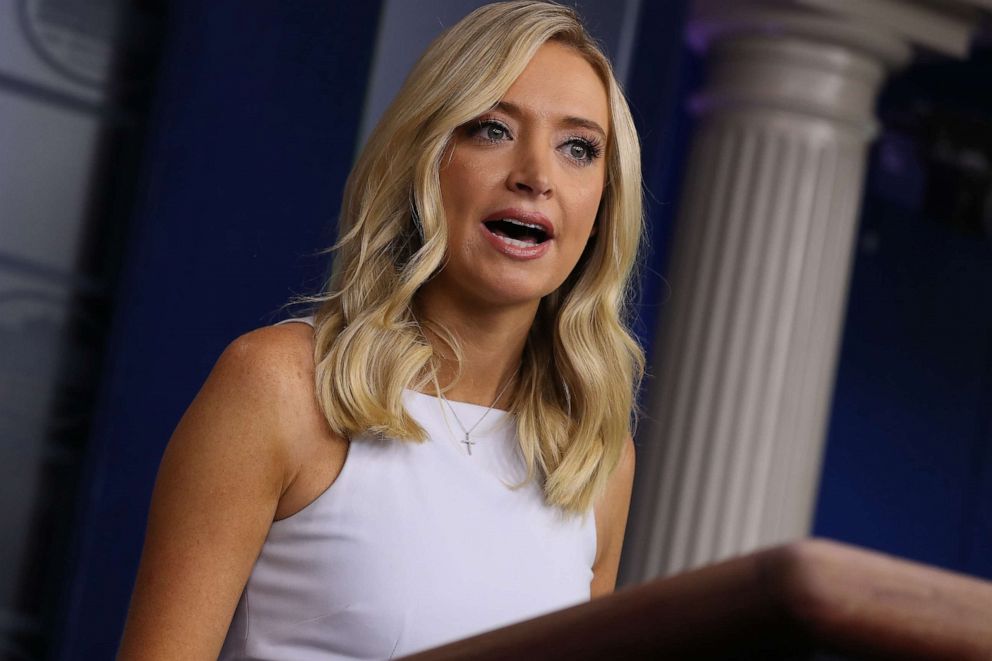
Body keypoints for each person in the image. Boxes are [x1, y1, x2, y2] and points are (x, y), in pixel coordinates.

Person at [118, 1, 644, 658]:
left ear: (602, 206)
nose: (536, 176)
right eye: (491, 129)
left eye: (578, 148)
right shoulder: (283, 386)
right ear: (425, 159)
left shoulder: (594, 455)